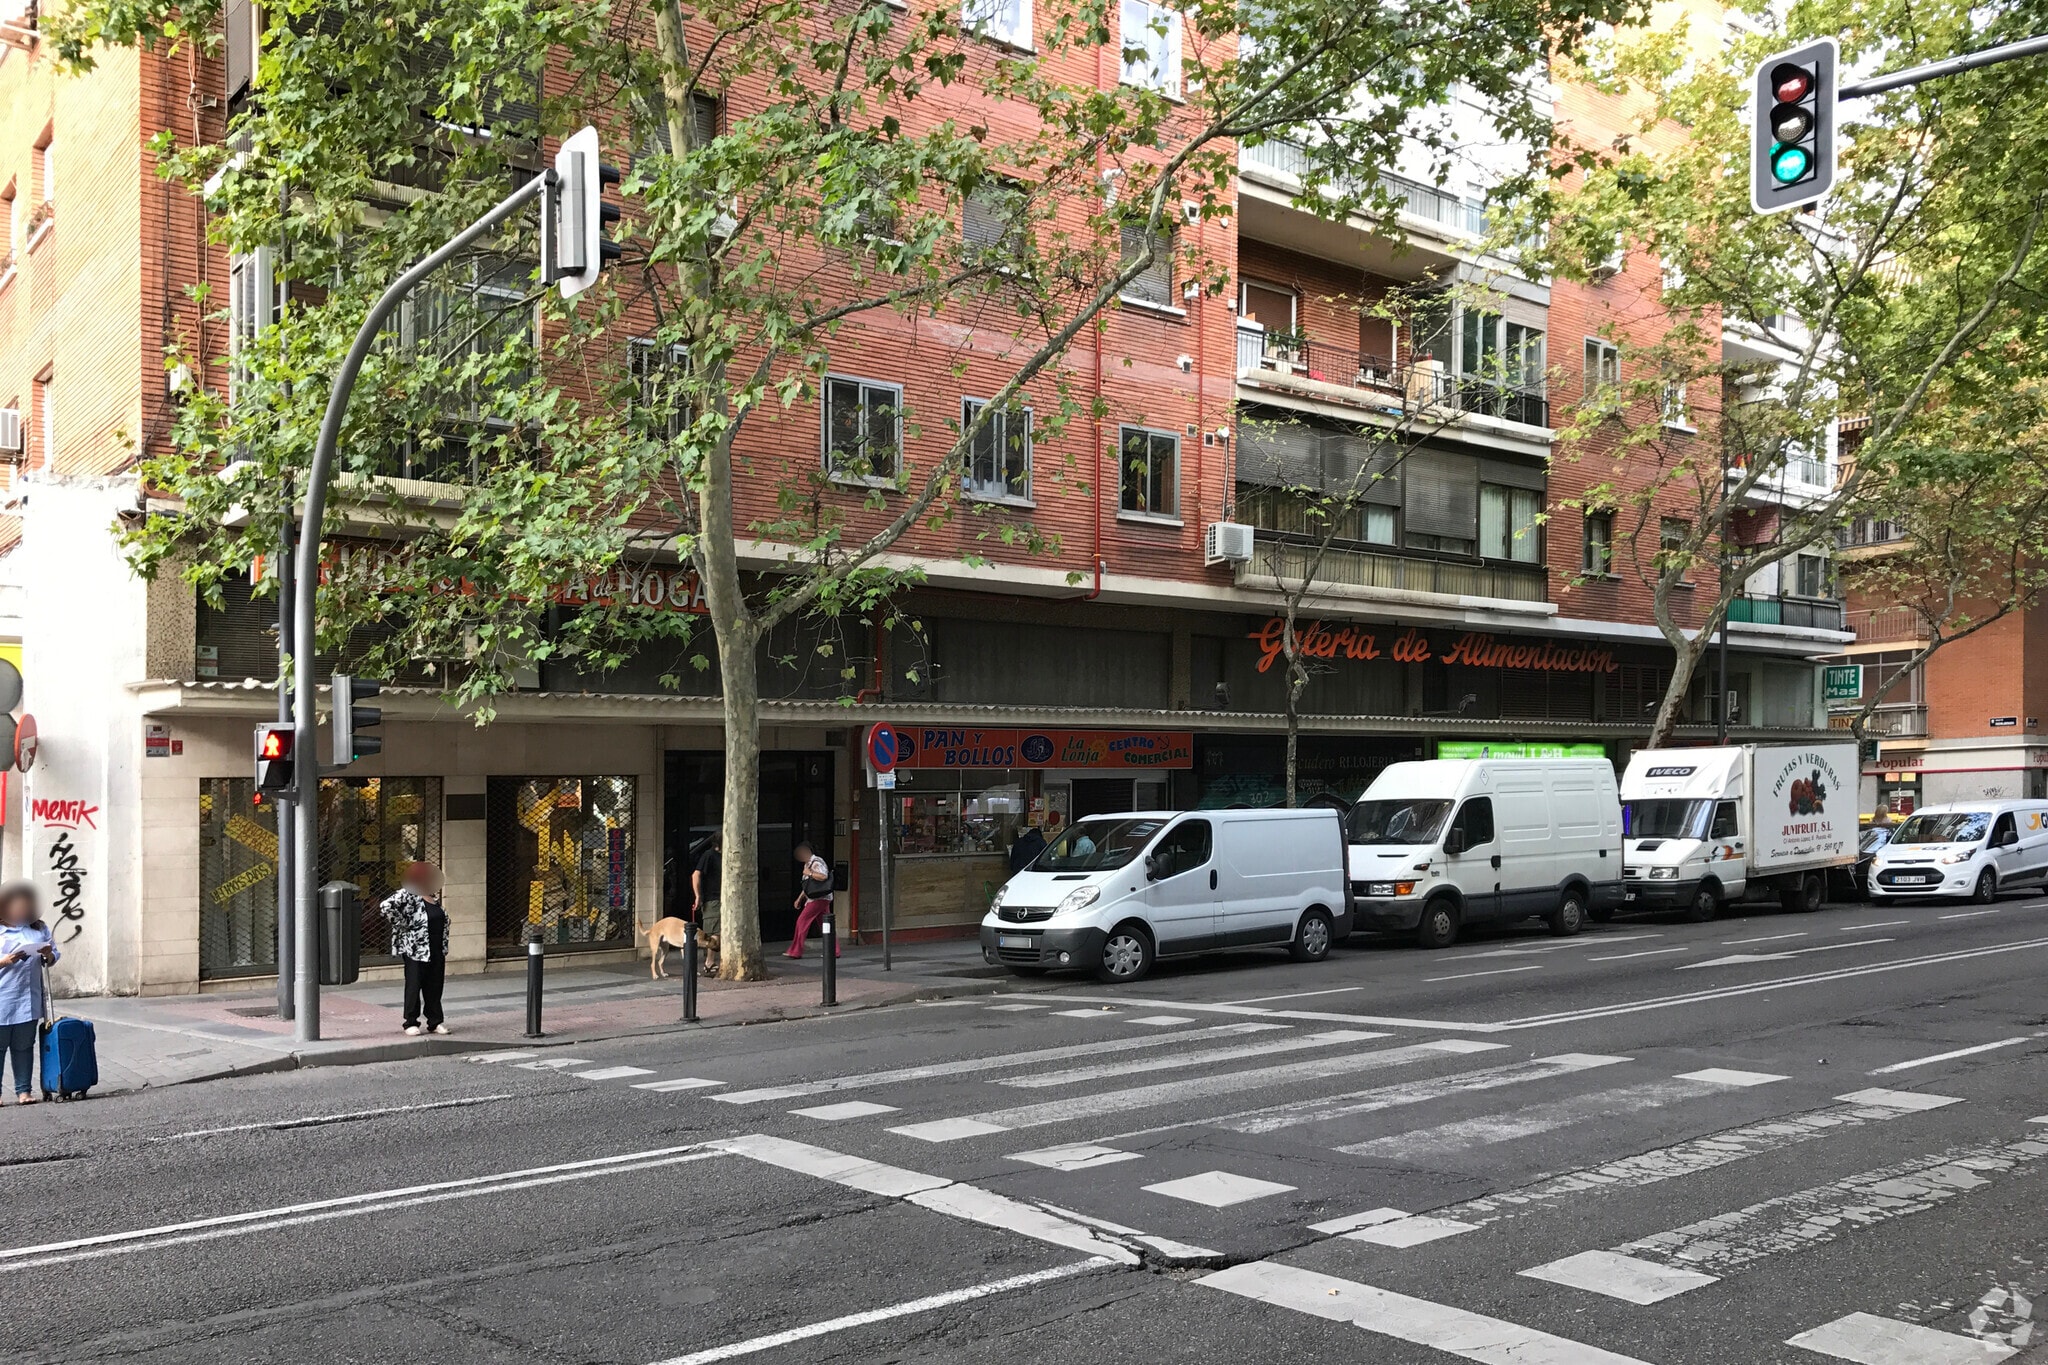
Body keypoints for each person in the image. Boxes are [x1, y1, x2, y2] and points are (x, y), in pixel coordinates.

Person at [0, 882, 57, 1104]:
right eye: (16, 908)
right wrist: (4, 961)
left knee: (24, 1047)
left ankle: (24, 1091)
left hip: (28, 998)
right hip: (4, 997)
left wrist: (47, 954)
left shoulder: (38, 929)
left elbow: (53, 956)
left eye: (25, 907)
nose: (21, 912)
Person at [381, 862, 451, 1036]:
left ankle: (435, 1021)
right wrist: (403, 925)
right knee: (414, 985)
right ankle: (410, 1022)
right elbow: (386, 906)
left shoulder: (434, 899)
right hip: (415, 950)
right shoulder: (410, 894)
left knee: (434, 987)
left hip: (436, 950)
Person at [785, 841, 839, 959]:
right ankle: (834, 950)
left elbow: (823, 876)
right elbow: (809, 886)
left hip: (818, 899)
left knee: (802, 921)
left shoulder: (816, 862)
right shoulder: (808, 864)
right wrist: (800, 899)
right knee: (826, 924)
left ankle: (796, 951)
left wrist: (809, 873)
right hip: (821, 898)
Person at [692, 832, 722, 939]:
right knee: (714, 934)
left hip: (724, 899)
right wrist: (698, 896)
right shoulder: (709, 855)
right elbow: (696, 875)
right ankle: (710, 957)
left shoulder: (727, 856)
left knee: (719, 933)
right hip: (712, 899)